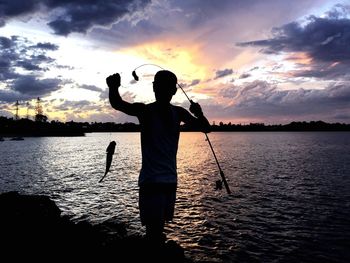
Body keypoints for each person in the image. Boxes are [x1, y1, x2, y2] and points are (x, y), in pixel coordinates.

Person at [106, 70, 211, 246]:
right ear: (174, 91)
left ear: (154, 88)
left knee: (153, 233)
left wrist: (113, 87)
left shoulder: (145, 110)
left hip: (152, 182)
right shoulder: (179, 113)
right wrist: (199, 114)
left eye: (161, 86)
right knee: (158, 230)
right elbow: (206, 128)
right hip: (169, 181)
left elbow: (117, 103)